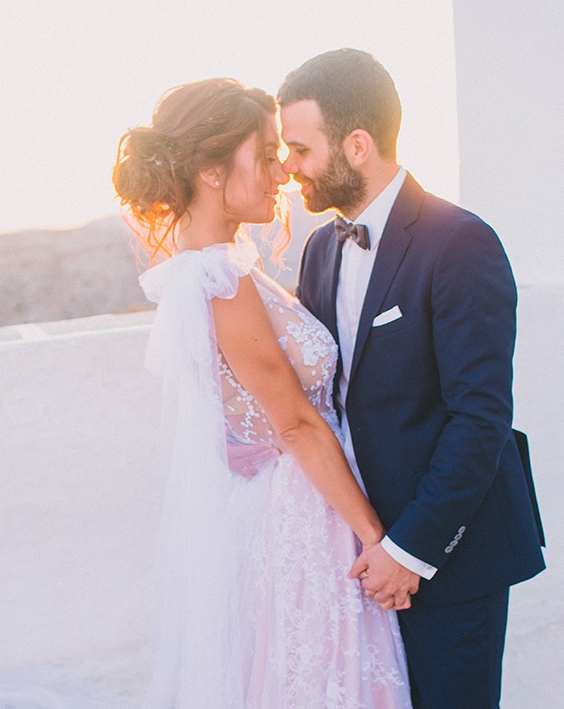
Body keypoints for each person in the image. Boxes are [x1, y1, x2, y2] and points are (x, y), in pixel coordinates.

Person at [112, 78, 412, 709]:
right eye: (266, 154)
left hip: (301, 503)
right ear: (211, 171)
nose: (281, 172)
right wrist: (376, 539)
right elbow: (295, 424)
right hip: (310, 515)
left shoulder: (225, 269)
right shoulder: (220, 281)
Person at [277, 48, 546, 709]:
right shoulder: (319, 248)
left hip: (452, 555)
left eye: (300, 148)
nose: (288, 166)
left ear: (358, 145)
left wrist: (410, 548)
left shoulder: (460, 242)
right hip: (361, 559)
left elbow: (478, 419)